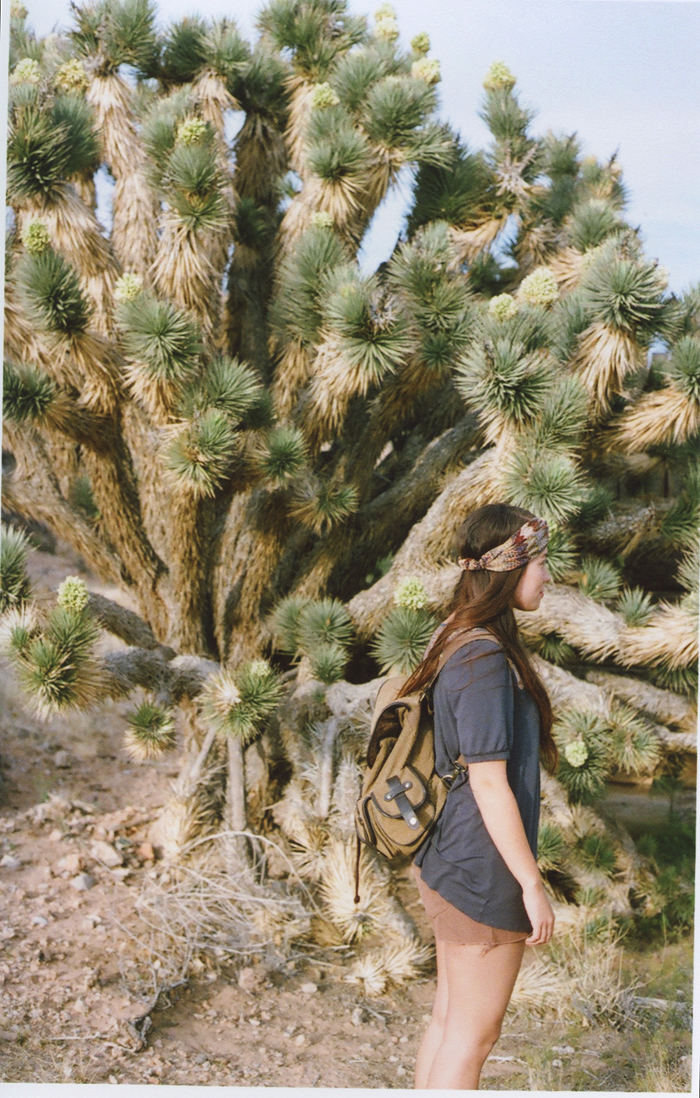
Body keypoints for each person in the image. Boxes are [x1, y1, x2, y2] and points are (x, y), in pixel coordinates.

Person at [406, 502, 558, 1090]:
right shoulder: (485, 656)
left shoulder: (458, 635)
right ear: (509, 569)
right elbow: (490, 782)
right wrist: (531, 885)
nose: (547, 578)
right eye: (541, 564)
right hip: (482, 869)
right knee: (473, 1038)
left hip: (450, 857)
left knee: (450, 1024)